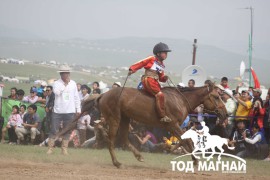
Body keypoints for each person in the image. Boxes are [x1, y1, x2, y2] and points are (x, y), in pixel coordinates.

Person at [128, 42, 172, 122]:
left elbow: (161, 78)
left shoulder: (162, 65)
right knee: (160, 95)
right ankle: (162, 116)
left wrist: (164, 78)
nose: (166, 54)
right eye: (164, 53)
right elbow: (141, 63)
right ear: (158, 53)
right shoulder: (151, 58)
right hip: (149, 80)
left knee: (162, 95)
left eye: (166, 53)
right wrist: (132, 69)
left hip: (155, 82)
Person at [47, 65, 81, 155]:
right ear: (61, 74)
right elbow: (57, 93)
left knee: (67, 130)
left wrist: (78, 109)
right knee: (54, 129)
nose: (66, 75)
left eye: (67, 73)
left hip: (70, 110)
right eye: (64, 73)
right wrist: (65, 85)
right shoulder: (56, 83)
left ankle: (64, 149)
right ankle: (50, 148)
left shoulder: (73, 83)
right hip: (57, 110)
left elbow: (76, 97)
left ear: (69, 73)